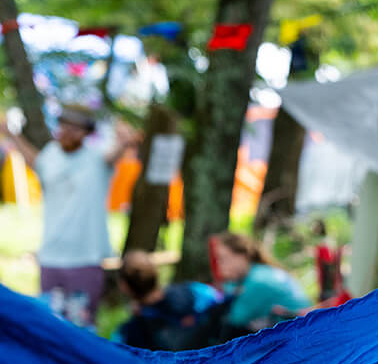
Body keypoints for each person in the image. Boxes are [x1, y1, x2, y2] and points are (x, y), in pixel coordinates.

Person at [0, 105, 140, 327]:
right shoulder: (51, 155)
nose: (67, 133)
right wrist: (11, 134)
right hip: (51, 258)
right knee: (52, 327)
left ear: (86, 133)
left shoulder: (97, 159)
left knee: (81, 327)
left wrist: (123, 143)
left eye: (75, 129)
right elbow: (34, 162)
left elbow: (114, 154)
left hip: (85, 259)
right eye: (64, 126)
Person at [113, 251, 224, 350]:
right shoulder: (193, 291)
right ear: (155, 273)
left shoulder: (129, 332)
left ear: (124, 286)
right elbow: (219, 299)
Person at [210, 232, 311, 339]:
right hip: (297, 329)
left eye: (223, 258)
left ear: (242, 256)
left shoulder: (257, 282)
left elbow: (235, 318)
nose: (220, 265)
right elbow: (230, 289)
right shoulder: (260, 272)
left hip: (298, 334)